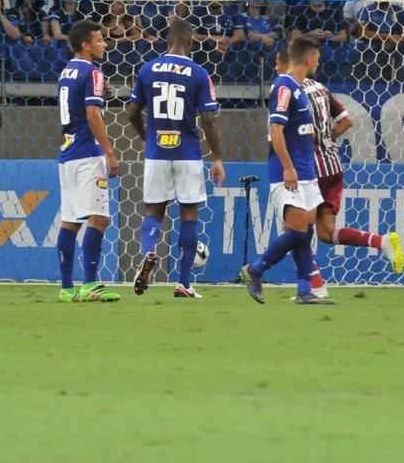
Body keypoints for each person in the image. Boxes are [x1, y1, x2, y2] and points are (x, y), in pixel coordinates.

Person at [277, 50, 404, 297]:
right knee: (325, 232)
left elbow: (282, 128)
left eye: (277, 64)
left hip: (309, 168)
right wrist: (328, 139)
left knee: (295, 230)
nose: (275, 69)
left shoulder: (291, 91)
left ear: (288, 63)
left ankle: (313, 287)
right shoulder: (321, 88)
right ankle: (381, 242)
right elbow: (346, 121)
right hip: (333, 167)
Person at [126, 19, 225, 299]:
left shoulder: (148, 69)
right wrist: (217, 157)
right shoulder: (198, 73)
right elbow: (208, 119)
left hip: (156, 151)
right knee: (189, 215)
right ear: (191, 41)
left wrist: (146, 137)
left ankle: (148, 253)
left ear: (166, 41)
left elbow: (131, 112)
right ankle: (183, 282)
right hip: (188, 152)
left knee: (153, 213)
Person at [240, 36, 330, 305]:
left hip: (307, 172)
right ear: (308, 58)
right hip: (288, 172)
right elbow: (275, 130)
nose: (318, 61)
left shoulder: (300, 89)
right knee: (297, 231)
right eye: (317, 57)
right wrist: (289, 167)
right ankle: (255, 269)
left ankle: (305, 290)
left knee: (307, 231)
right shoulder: (284, 86)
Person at [55, 20, 121, 302]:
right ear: (85, 44)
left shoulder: (67, 70)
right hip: (86, 153)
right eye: (100, 39)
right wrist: (109, 151)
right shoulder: (93, 71)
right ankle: (91, 284)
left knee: (70, 221)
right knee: (100, 217)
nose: (104, 44)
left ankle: (67, 288)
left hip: (67, 154)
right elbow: (93, 114)